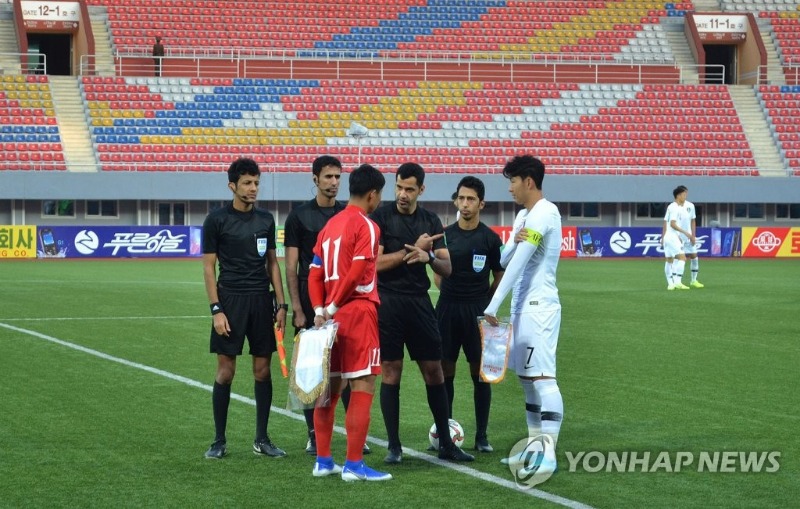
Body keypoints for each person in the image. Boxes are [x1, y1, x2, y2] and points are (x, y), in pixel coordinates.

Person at [371, 162, 474, 464]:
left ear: (421, 189)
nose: (403, 194)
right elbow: (374, 265)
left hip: (419, 303)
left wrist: (427, 256)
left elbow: (447, 267)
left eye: (410, 189)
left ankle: (446, 443)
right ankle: (394, 446)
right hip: (388, 302)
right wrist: (407, 253)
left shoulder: (430, 220)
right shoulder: (380, 218)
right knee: (391, 372)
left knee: (434, 370)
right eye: (399, 187)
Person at [307, 163, 391, 481]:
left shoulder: (329, 227)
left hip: (329, 318)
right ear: (372, 194)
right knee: (363, 383)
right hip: (356, 311)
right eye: (379, 195)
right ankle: (354, 465)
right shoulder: (367, 226)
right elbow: (356, 274)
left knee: (329, 388)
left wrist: (320, 308)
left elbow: (314, 272)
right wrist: (331, 306)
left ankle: (324, 460)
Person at [202, 157, 287, 460]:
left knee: (262, 371)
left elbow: (273, 263)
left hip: (261, 301)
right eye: (247, 183)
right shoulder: (216, 220)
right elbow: (209, 268)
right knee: (226, 371)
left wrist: (281, 303)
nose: (253, 188)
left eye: (256, 182)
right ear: (232, 186)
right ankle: (218, 440)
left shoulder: (266, 219)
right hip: (230, 301)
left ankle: (262, 439)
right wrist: (216, 310)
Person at [283, 155, 370, 456]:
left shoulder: (347, 215)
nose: (334, 182)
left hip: (343, 305)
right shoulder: (299, 217)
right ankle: (313, 435)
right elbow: (294, 267)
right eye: (328, 177)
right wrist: (298, 308)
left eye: (337, 177)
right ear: (315, 179)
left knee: (348, 369)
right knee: (317, 374)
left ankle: (352, 435)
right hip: (315, 306)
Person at [483, 155, 563, 476]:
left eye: (513, 181)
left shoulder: (546, 213)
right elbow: (505, 258)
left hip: (539, 308)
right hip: (522, 310)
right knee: (528, 381)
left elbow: (520, 261)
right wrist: (513, 242)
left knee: (544, 380)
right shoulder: (522, 216)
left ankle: (548, 453)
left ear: (528, 181)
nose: (510, 188)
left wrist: (493, 304)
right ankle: (533, 449)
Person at [433, 176, 504, 453]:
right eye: (461, 198)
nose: (465, 204)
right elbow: (437, 272)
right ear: (455, 201)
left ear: (481, 203)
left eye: (471, 199)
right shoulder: (444, 234)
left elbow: (499, 275)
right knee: (444, 371)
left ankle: (482, 436)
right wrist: (451, 293)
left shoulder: (489, 238)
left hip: (477, 312)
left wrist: (485, 302)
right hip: (447, 309)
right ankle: (445, 434)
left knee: (479, 373)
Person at [662, 185, 704, 289]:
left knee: (669, 260)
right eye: (684, 194)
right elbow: (671, 224)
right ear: (679, 195)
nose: (686, 196)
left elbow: (690, 221)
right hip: (673, 237)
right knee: (682, 258)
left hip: (672, 236)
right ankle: (678, 282)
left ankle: (671, 284)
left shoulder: (675, 206)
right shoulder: (675, 207)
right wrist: (685, 233)